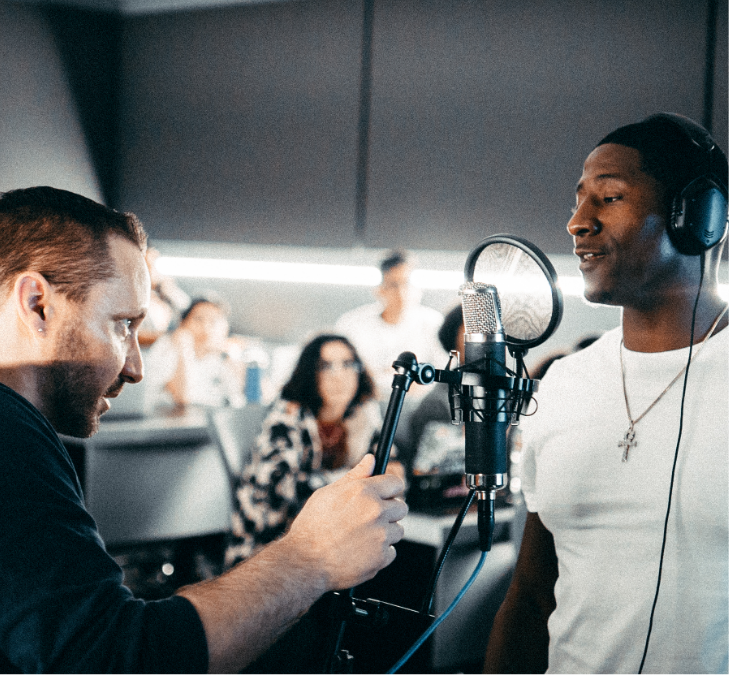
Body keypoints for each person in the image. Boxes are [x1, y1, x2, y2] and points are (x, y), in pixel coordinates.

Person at [0, 186, 408, 674]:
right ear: (37, 304)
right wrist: (311, 556)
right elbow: (112, 659)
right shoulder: (9, 437)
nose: (135, 367)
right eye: (121, 324)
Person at [483, 113, 729, 674]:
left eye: (609, 197)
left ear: (697, 215)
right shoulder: (565, 384)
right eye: (577, 200)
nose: (576, 222)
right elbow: (530, 593)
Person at [226, 333, 399, 566]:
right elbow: (283, 490)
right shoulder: (287, 415)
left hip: (334, 545)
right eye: (326, 366)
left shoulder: (363, 416)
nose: (339, 375)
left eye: (348, 364)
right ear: (310, 374)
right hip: (267, 551)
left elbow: (393, 469)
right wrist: (359, 484)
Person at [335, 249, 447, 400]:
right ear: (379, 290)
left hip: (419, 407)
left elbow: (445, 371)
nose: (401, 293)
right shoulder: (352, 324)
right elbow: (342, 371)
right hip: (366, 404)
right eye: (394, 285)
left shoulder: (433, 323)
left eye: (406, 284)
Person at [144, 295, 249, 409]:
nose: (206, 326)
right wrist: (183, 346)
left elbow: (240, 401)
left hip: (205, 418)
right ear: (183, 323)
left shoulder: (222, 356)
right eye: (198, 319)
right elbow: (182, 397)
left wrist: (234, 358)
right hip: (168, 418)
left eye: (214, 321)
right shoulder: (168, 345)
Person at [137, 245, 191, 347]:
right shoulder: (129, 300)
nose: (152, 269)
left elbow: (189, 308)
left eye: (154, 264)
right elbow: (134, 335)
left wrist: (170, 290)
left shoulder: (165, 296)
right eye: (147, 265)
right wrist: (169, 338)